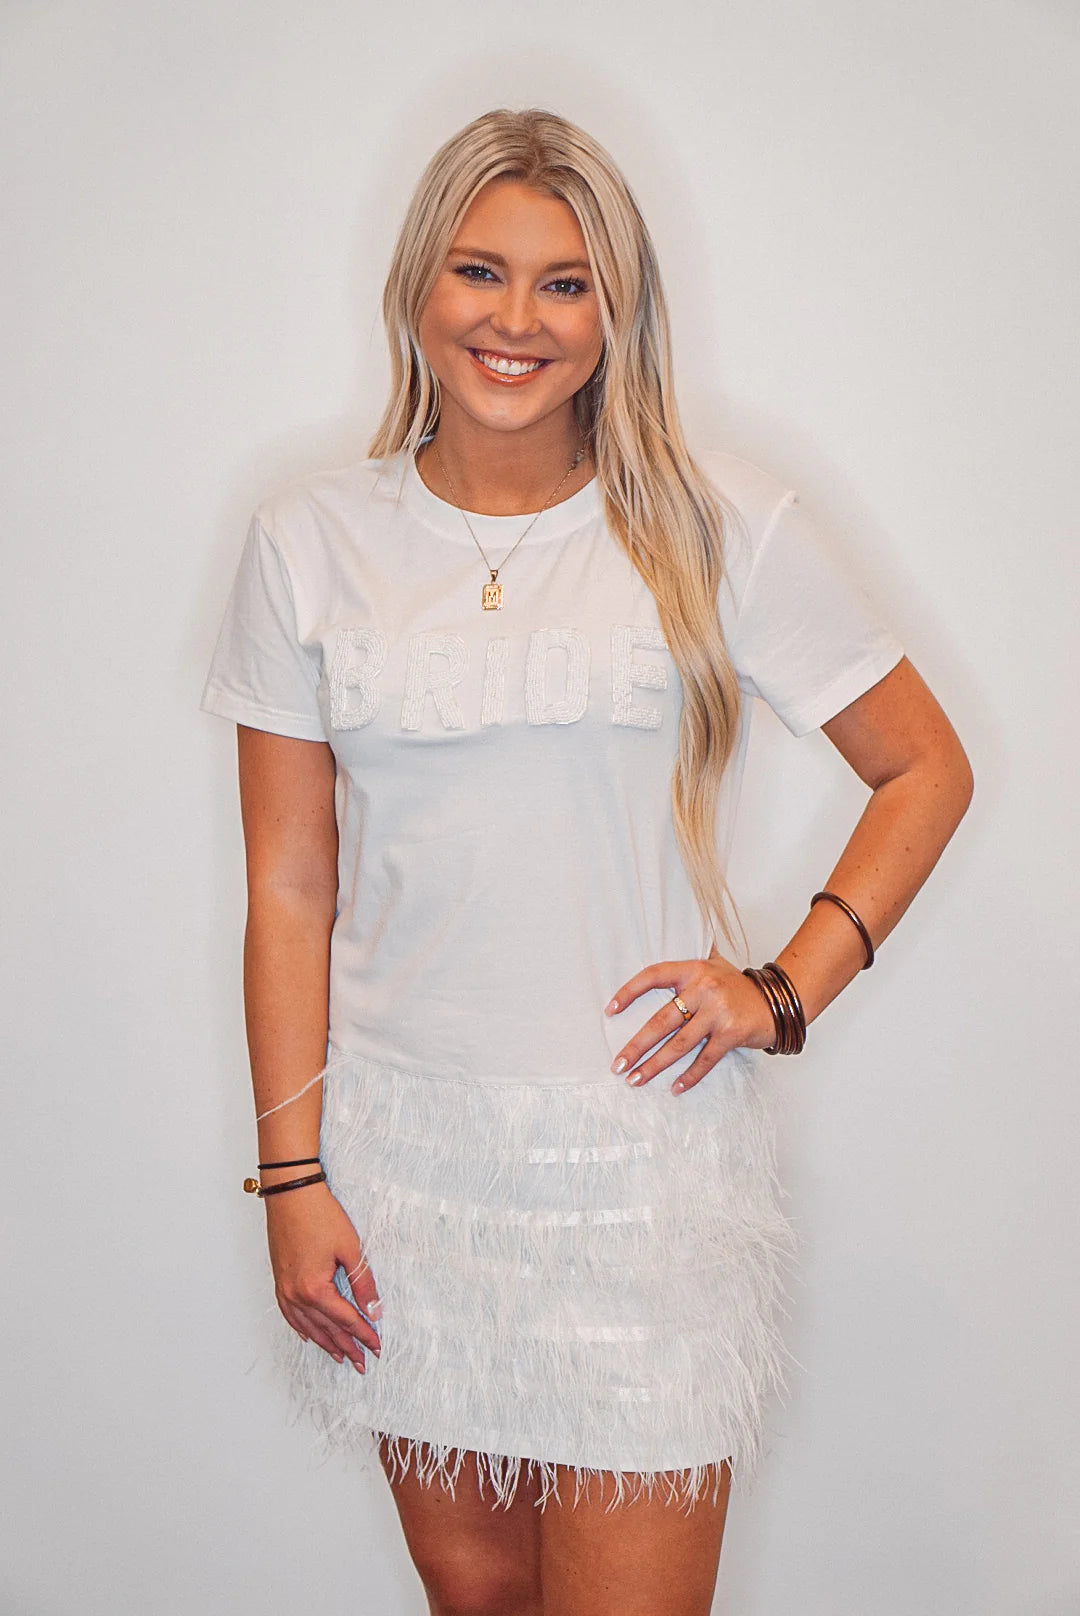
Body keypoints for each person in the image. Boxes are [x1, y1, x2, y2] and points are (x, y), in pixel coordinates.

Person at [199, 106, 973, 1616]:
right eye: (481, 272)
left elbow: (924, 765)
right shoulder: (308, 542)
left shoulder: (712, 520)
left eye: (566, 283)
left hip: (640, 1180)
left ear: (617, 313)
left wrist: (783, 987)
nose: (516, 319)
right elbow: (289, 888)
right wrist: (292, 1177)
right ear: (419, 286)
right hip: (405, 1179)